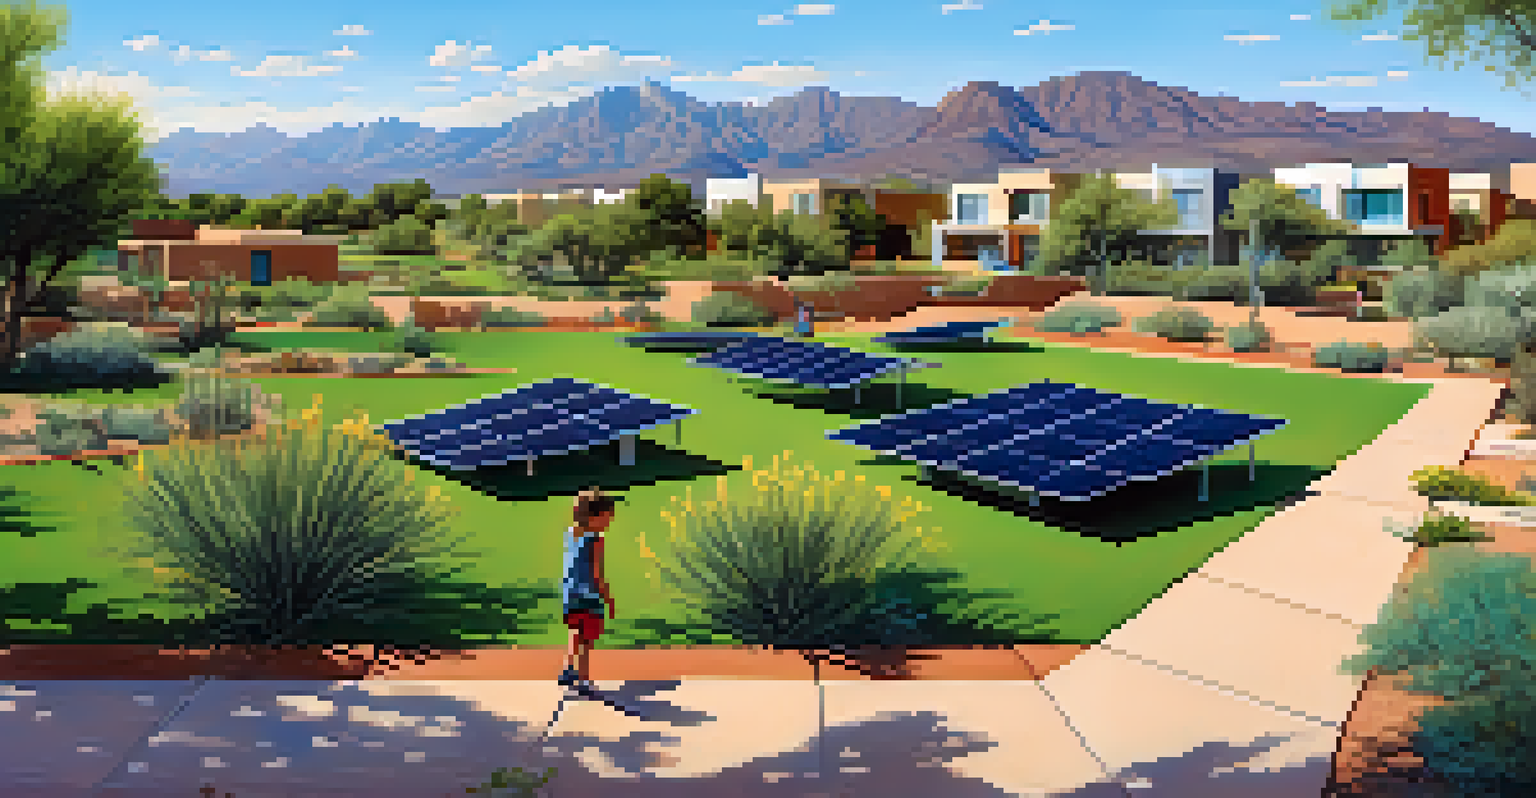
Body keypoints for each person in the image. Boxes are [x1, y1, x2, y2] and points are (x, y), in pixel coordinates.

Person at [559, 488, 616, 694]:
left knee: (574, 632)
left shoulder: (570, 534)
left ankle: (568, 668)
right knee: (586, 639)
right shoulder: (596, 539)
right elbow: (596, 572)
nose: (608, 523)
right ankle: (584, 680)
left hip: (569, 593)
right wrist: (607, 597)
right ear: (594, 517)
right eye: (607, 517)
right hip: (588, 595)